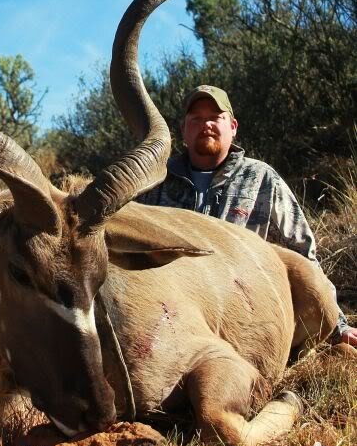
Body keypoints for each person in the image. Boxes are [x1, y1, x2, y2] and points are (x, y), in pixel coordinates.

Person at [138, 84, 357, 347]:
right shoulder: (156, 181)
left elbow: (303, 254)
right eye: (196, 119)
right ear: (184, 130)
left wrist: (338, 325)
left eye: (215, 117)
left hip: (245, 314)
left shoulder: (261, 178)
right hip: (171, 313)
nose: (206, 124)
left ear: (233, 127)